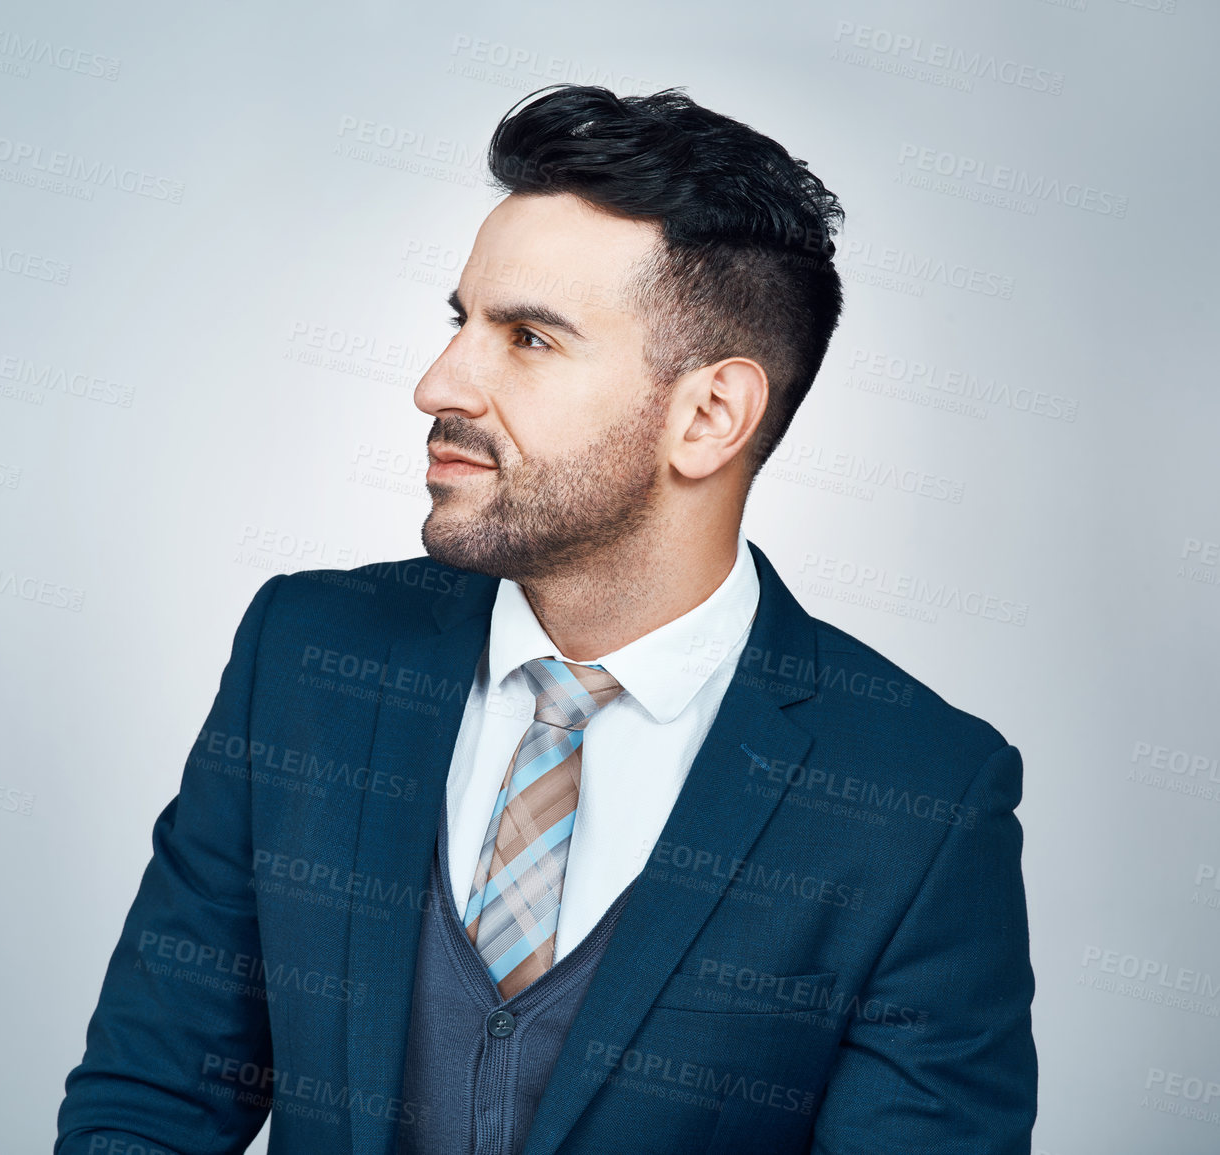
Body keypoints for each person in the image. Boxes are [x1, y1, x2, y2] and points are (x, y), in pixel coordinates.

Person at [55, 84, 1035, 1155]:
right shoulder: (307, 656)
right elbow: (149, 1102)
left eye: (527, 338)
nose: (439, 384)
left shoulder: (918, 798)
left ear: (710, 415)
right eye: (460, 321)